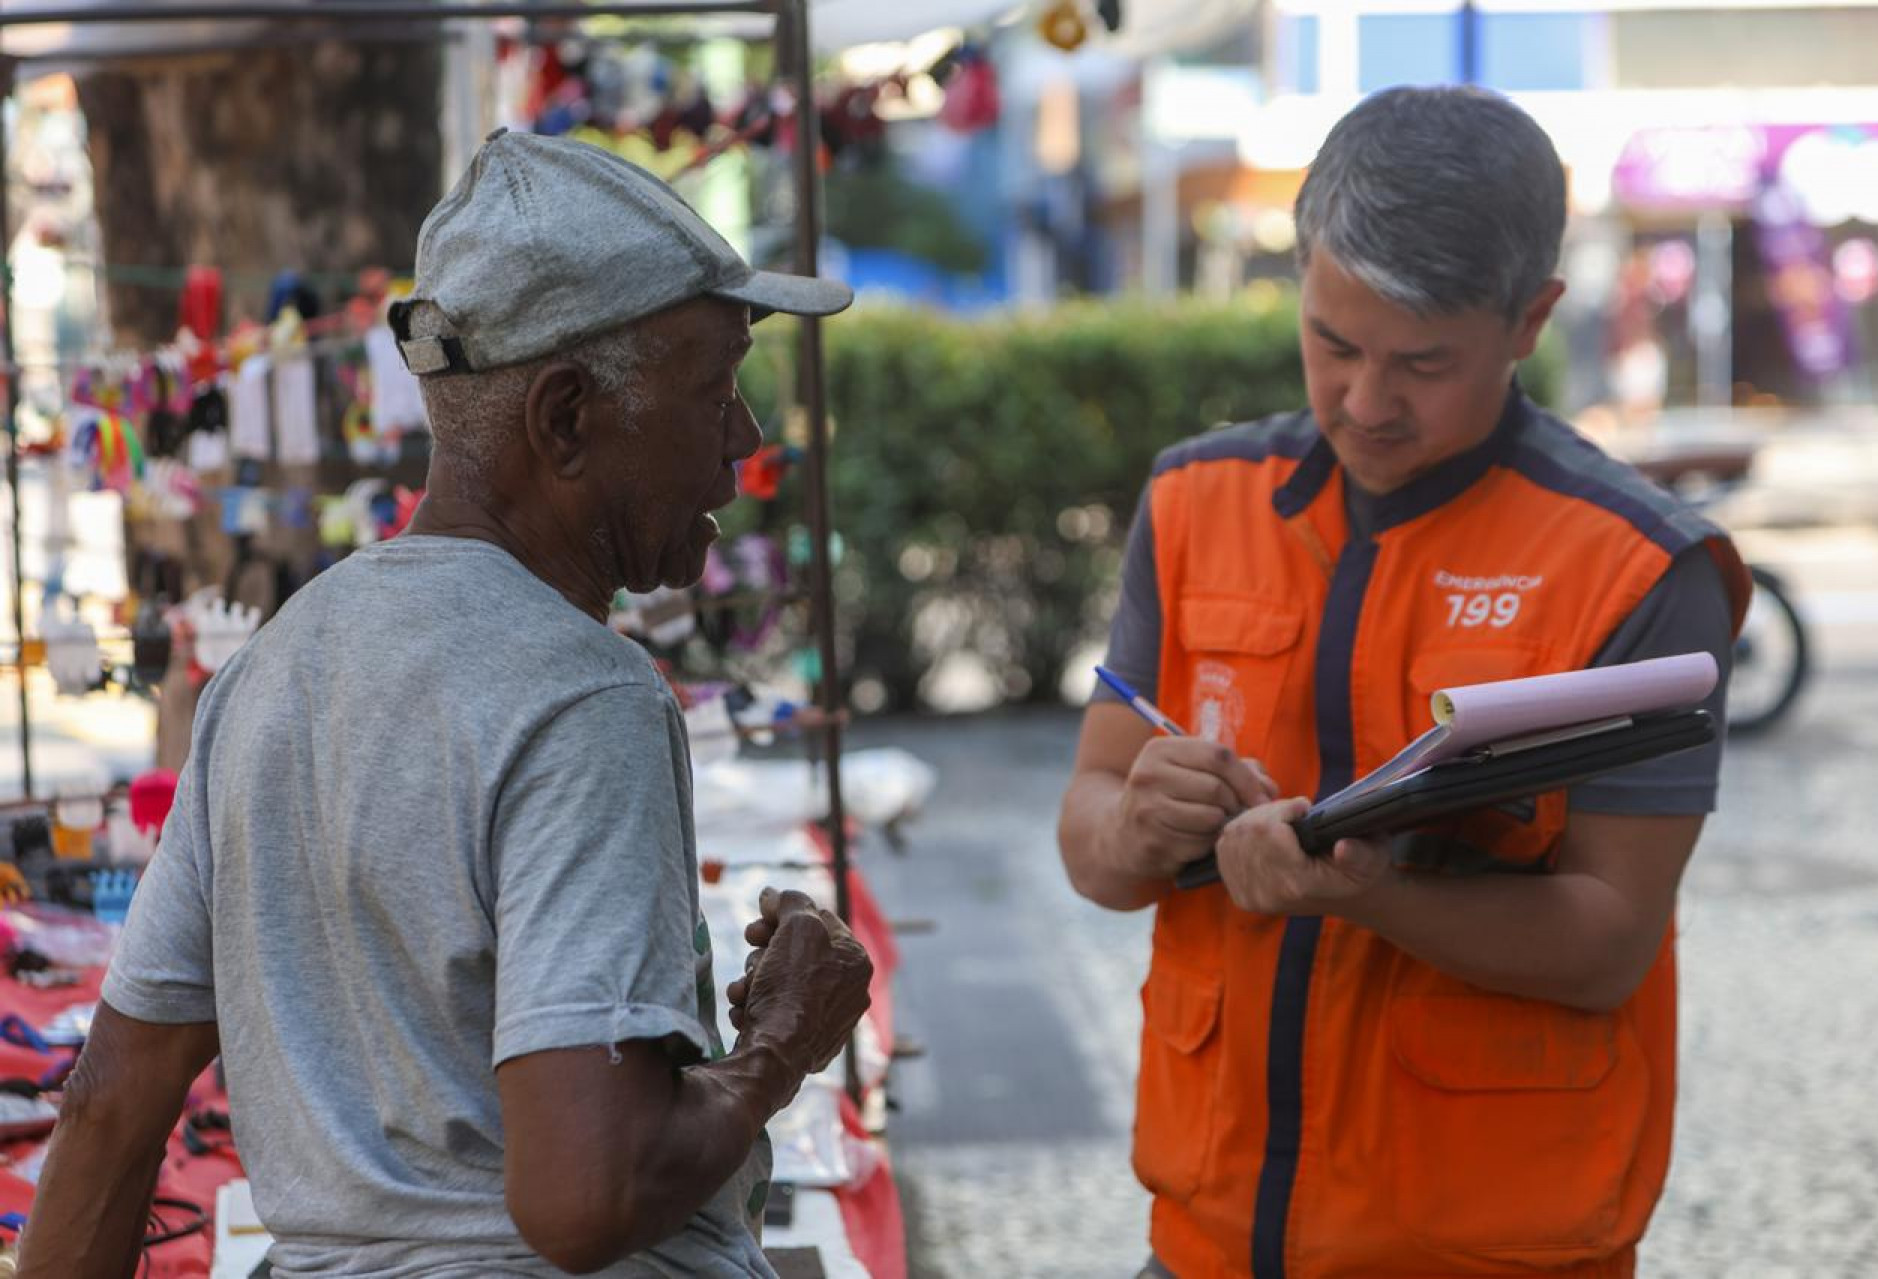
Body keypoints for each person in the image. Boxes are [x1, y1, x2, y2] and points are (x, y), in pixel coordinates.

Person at [19, 130, 874, 1277]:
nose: (744, 442)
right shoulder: (584, 696)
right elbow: (585, 1196)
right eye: (714, 391)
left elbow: (106, 1111)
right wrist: (781, 1044)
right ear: (565, 416)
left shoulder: (274, 669)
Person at [1058, 87, 1751, 1279]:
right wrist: (1134, 821)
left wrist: (1366, 893)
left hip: (1491, 1245)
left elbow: (1605, 941)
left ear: (1533, 317)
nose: (1366, 404)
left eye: (1423, 363)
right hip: (1205, 1236)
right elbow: (1088, 831)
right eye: (1333, 343)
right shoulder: (1194, 502)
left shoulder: (1638, 567)